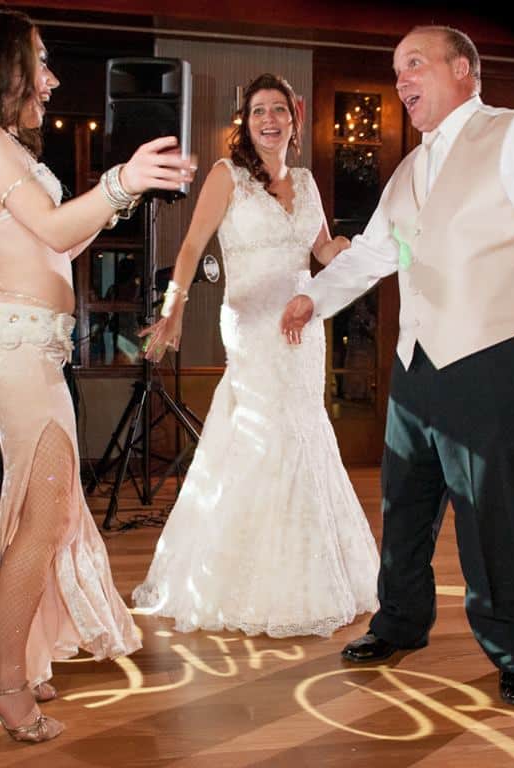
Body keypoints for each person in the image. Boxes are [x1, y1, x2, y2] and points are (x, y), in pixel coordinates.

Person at [281, 26, 514, 707]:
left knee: (497, 517)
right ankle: (401, 622)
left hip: (496, 355)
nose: (402, 78)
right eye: (395, 68)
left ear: (464, 70)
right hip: (418, 363)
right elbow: (376, 252)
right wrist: (312, 299)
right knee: (405, 509)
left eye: (415, 63)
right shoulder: (410, 169)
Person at [0, 9, 195, 742]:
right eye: (39, 62)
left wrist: (126, 189)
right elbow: (53, 228)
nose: (51, 78)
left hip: (34, 347)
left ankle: (15, 660)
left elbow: (62, 237)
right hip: (16, 350)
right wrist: (121, 180)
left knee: (48, 515)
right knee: (38, 521)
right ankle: (4, 680)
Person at [131, 74, 380, 638]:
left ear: (295, 116)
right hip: (250, 326)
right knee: (262, 437)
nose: (268, 120)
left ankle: (311, 572)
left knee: (303, 432)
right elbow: (192, 246)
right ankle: (237, 577)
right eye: (257, 111)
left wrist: (362, 250)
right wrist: (173, 308)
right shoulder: (228, 176)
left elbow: (321, 250)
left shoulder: (310, 183)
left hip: (302, 326)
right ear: (245, 120)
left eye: (278, 110)